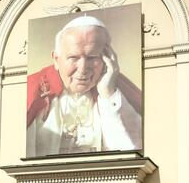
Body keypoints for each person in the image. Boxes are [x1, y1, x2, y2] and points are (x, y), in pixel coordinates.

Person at [27, 15, 141, 157]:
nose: (82, 68)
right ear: (56, 59)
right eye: (74, 58)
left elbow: (131, 153)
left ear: (108, 58)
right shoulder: (32, 91)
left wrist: (108, 94)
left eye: (92, 57)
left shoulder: (117, 91)